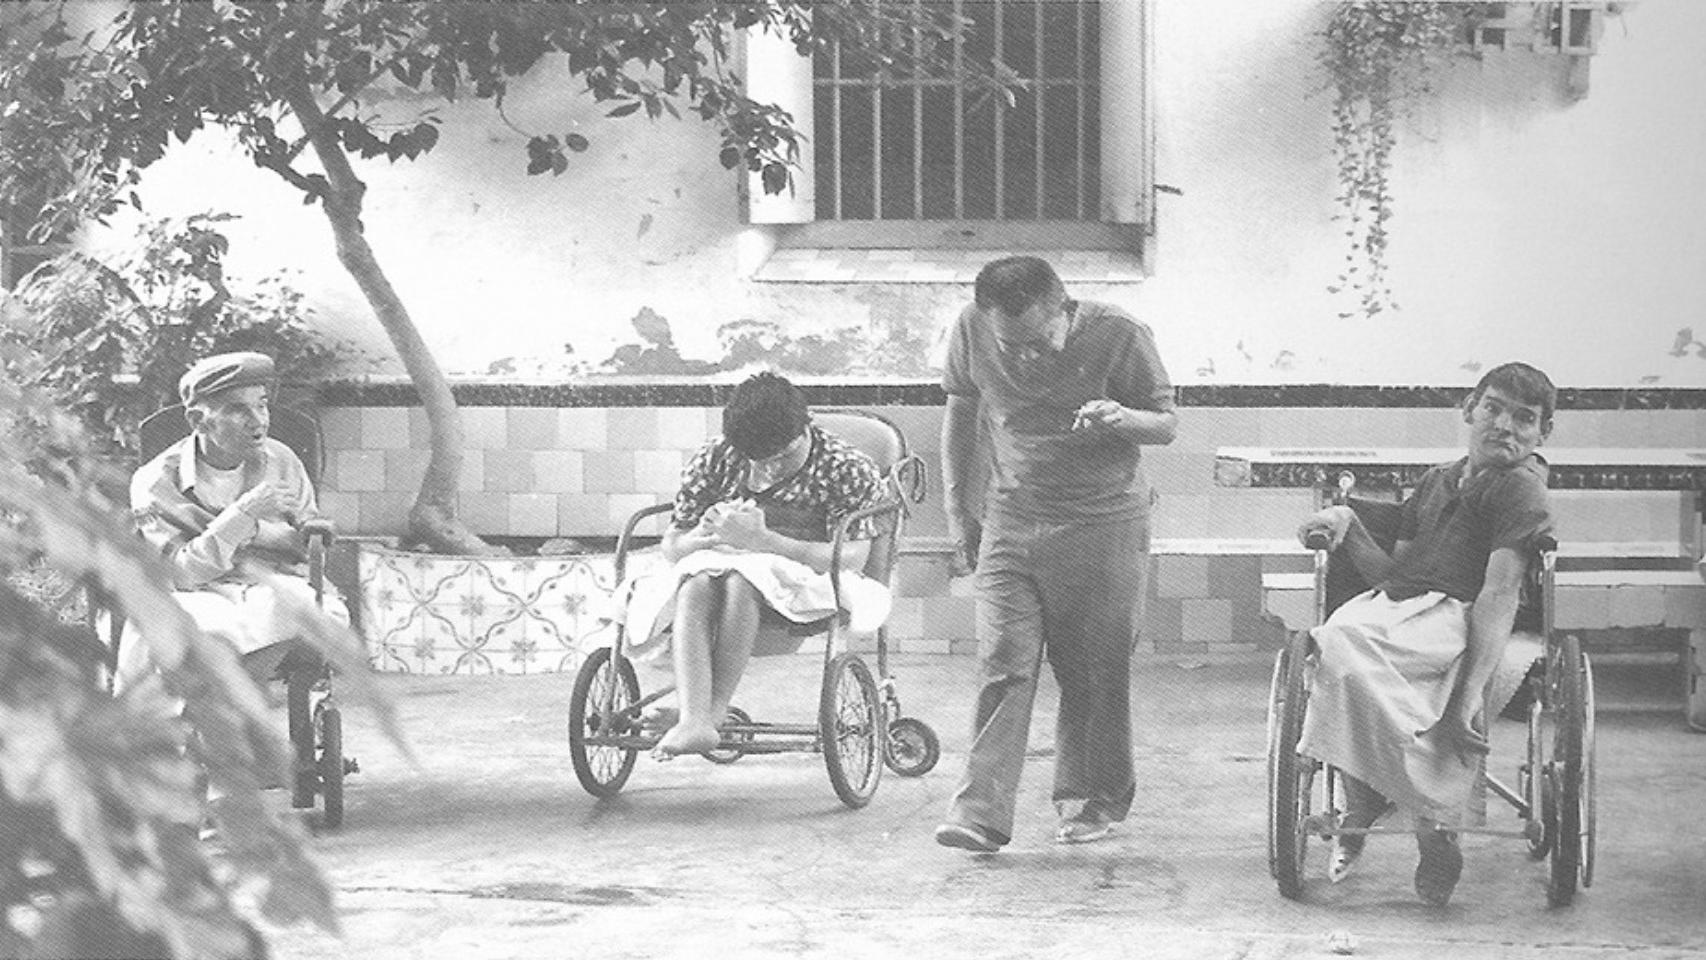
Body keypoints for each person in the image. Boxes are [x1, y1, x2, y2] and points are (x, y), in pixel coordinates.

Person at [933, 256, 1177, 852]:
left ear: (1063, 309)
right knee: (1003, 661)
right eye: (1009, 345)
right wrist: (959, 510)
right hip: (1011, 517)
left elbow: (1166, 425)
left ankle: (1091, 801)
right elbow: (961, 416)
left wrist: (1123, 417)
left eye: (1039, 341)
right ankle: (979, 814)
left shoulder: (1120, 333)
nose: (1025, 356)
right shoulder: (970, 328)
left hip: (1103, 521)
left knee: (1093, 669)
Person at [1294, 361, 1556, 906]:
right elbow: (1394, 574)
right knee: (1331, 642)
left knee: (1363, 655)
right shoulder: (1438, 480)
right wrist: (1346, 523)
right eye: (1494, 409)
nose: (1504, 426)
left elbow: (1499, 593)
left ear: (1542, 433)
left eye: (1523, 418)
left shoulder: (1521, 492)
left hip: (1458, 614)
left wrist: (1469, 695)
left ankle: (1419, 823)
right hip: (1398, 606)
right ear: (1470, 409)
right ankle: (1381, 798)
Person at [621, 371, 889, 758]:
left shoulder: (843, 467)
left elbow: (853, 556)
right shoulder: (717, 457)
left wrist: (763, 541)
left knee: (740, 581)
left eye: (784, 457)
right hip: (721, 566)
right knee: (695, 583)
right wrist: (705, 538)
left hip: (808, 573)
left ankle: (713, 711)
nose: (772, 471)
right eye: (759, 462)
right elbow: (674, 545)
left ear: (807, 426)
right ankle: (695, 717)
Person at [119, 351, 347, 692]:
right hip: (200, 592)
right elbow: (182, 573)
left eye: (262, 405)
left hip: (269, 583)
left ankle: (232, 698)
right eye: (238, 409)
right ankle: (233, 701)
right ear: (198, 421)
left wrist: (277, 531)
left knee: (324, 615)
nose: (258, 421)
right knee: (208, 632)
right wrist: (243, 515)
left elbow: (305, 538)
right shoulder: (154, 481)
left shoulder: (281, 460)